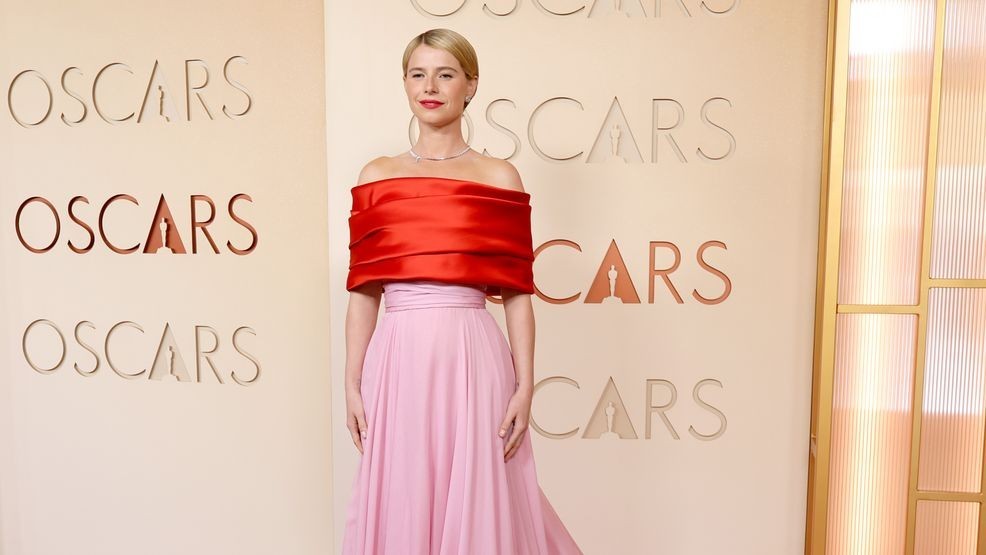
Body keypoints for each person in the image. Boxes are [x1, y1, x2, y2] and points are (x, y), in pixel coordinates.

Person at [341, 28, 584, 555]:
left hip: (473, 355)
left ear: (470, 86)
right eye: (418, 74)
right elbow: (364, 291)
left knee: (483, 492)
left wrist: (525, 384)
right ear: (405, 83)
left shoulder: (499, 177)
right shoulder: (376, 175)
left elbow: (519, 292)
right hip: (398, 356)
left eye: (445, 74)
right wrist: (352, 381)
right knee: (403, 489)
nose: (430, 86)